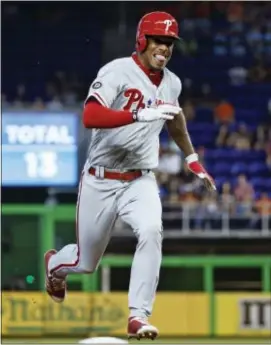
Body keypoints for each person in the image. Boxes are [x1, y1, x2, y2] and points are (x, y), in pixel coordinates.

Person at [44, 11, 216, 340]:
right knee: (85, 262)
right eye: (158, 40)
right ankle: (55, 266)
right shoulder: (117, 71)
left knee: (152, 230)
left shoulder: (172, 82)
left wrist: (192, 159)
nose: (164, 47)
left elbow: (175, 119)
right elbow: (90, 115)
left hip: (140, 179)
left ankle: (138, 315)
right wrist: (138, 113)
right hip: (101, 178)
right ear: (141, 40)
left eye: (169, 42)